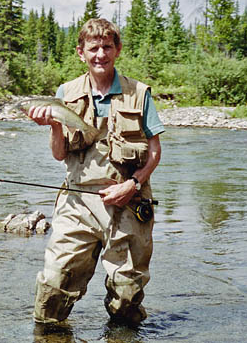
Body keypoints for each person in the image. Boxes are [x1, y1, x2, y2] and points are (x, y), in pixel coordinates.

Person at [27, 18, 164, 327]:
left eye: (107, 47)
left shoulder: (139, 94)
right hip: (77, 204)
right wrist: (54, 125)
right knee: (52, 288)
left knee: (126, 297)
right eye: (93, 48)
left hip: (128, 202)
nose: (100, 54)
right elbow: (59, 153)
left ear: (117, 50)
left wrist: (132, 184)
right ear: (81, 53)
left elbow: (154, 152)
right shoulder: (66, 92)